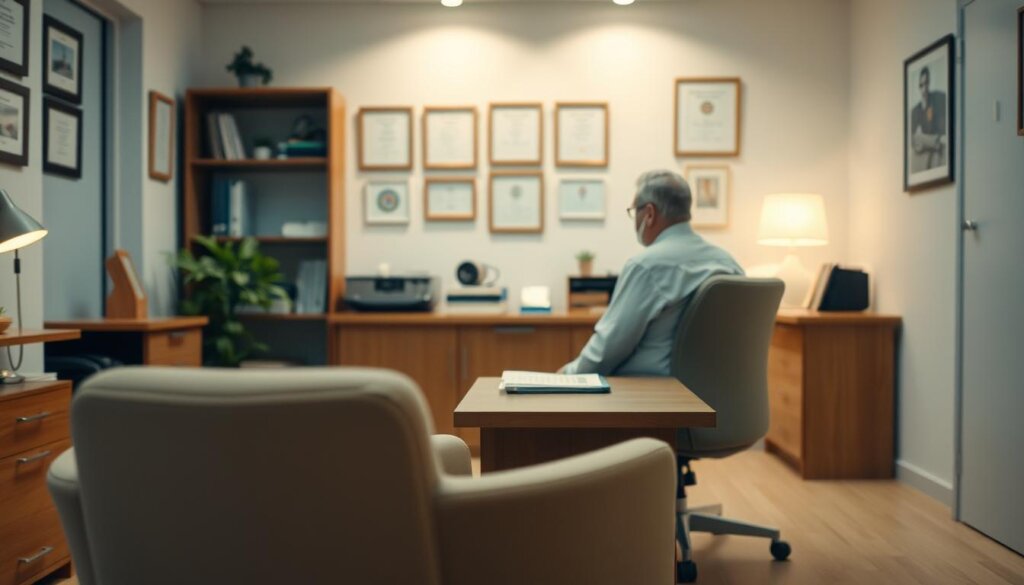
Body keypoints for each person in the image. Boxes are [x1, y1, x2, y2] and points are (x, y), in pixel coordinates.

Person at [560, 170, 743, 376]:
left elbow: (606, 351)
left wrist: (567, 375)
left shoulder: (646, 267)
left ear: (649, 213)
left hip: (651, 397)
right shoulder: (730, 264)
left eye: (633, 211)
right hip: (716, 395)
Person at [910, 65, 947, 170]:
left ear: (929, 83)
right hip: (928, 143)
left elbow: (941, 132)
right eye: (921, 85)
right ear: (918, 86)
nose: (924, 88)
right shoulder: (915, 110)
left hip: (937, 140)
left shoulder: (936, 99)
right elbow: (912, 137)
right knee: (917, 138)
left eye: (926, 84)